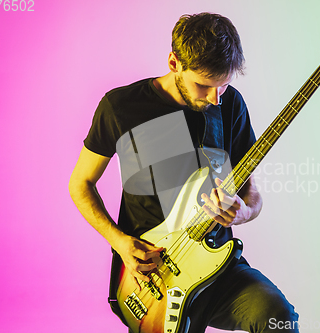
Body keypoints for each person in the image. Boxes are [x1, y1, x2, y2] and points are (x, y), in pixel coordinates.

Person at [69, 12, 299, 333]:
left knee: (279, 318)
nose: (214, 97)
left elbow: (252, 194)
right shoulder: (120, 107)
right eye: (203, 85)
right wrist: (120, 242)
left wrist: (242, 212)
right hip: (152, 277)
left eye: (223, 86)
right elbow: (81, 183)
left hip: (217, 269)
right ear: (174, 62)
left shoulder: (229, 103)